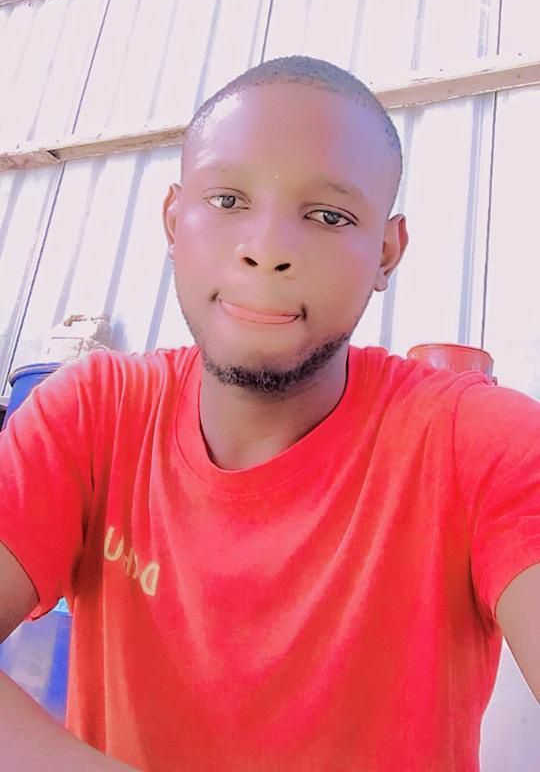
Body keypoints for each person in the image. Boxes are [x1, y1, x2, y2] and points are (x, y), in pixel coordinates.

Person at [0, 55, 539, 772]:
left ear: (385, 253)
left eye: (327, 215)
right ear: (174, 221)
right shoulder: (92, 415)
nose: (268, 250)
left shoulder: (481, 445)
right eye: (228, 200)